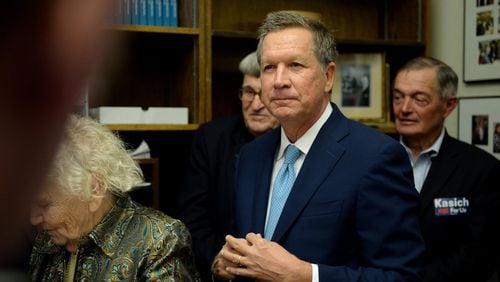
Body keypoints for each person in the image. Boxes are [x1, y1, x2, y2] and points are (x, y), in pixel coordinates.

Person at [212, 11, 424, 281]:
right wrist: (225, 266)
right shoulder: (250, 156)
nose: (279, 80)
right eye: (268, 68)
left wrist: (307, 275)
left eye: (295, 66)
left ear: (328, 76)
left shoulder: (375, 157)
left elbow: (402, 276)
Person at [29, 115, 200, 281]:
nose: (33, 218)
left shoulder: (160, 243)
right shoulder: (47, 238)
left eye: (45, 204)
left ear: (94, 190)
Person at [392, 56, 500, 282]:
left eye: (419, 99)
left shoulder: (481, 169)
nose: (404, 108)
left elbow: (480, 253)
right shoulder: (370, 157)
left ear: (448, 106)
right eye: (398, 97)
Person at [176, 51, 279, 281]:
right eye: (249, 92)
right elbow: (192, 215)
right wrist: (216, 260)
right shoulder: (211, 139)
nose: (256, 104)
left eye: (264, 94)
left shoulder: (292, 145)